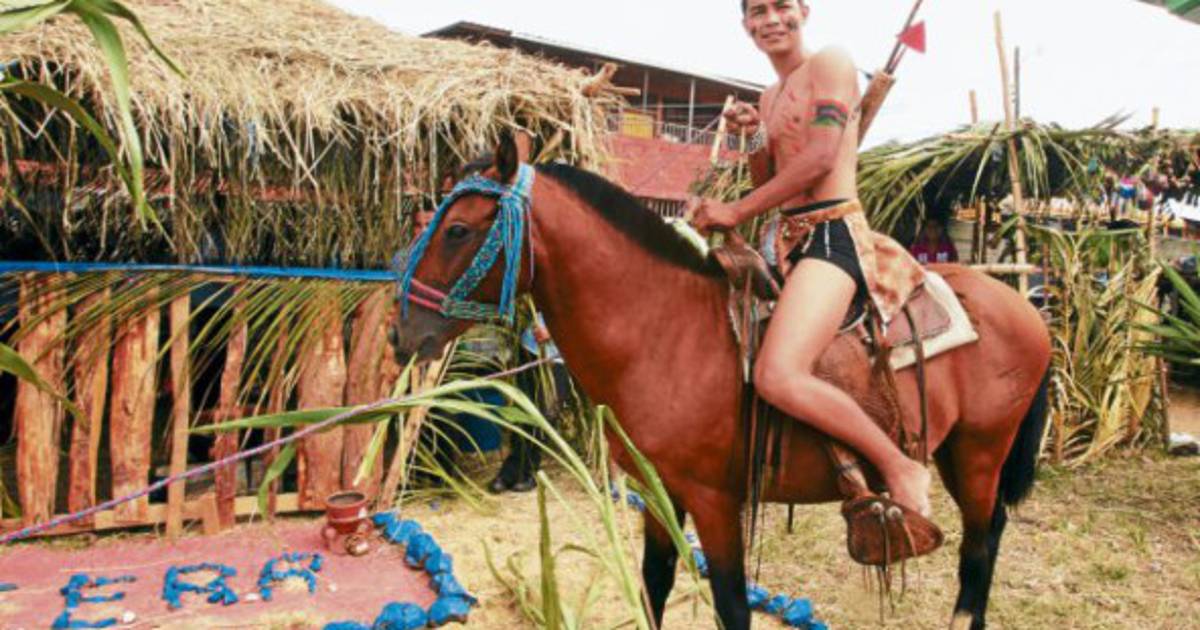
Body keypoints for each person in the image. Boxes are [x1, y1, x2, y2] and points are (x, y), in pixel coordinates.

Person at [689, 0, 930, 516]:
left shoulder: (832, 63)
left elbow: (821, 157)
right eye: (758, 11)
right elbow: (769, 179)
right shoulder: (769, 94)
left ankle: (898, 467)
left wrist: (734, 211)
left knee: (777, 373)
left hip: (832, 234)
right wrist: (754, 133)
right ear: (746, 25)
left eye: (782, 6)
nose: (771, 19)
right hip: (786, 241)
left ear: (804, 10)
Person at [489, 312, 574, 493]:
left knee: (544, 416)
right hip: (529, 350)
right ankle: (515, 473)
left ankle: (519, 473)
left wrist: (554, 332)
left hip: (558, 357)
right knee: (523, 413)